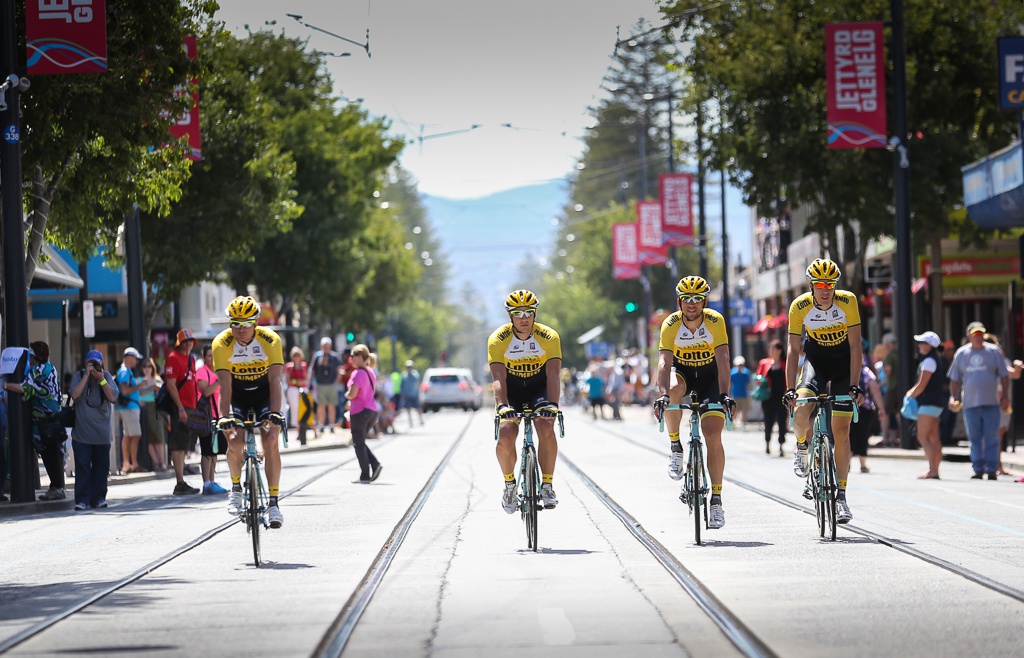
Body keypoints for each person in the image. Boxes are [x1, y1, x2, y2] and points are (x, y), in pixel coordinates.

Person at [786, 258, 864, 524]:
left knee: (841, 432)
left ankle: (840, 497)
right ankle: (801, 447)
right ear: (811, 285)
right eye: (819, 284)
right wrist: (789, 389)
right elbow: (793, 350)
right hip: (816, 363)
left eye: (830, 284)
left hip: (843, 365)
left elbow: (855, 347)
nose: (825, 289)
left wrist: (854, 385)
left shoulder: (847, 301)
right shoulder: (800, 306)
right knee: (801, 411)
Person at [653, 276, 734, 530]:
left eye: (697, 299)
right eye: (686, 299)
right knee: (674, 391)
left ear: (704, 302)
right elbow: (665, 362)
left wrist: (724, 394)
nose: (691, 304)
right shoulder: (671, 324)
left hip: (710, 377)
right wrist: (663, 394)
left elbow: (722, 358)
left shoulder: (715, 320)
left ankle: (717, 501)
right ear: (679, 302)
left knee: (712, 435)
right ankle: (676, 447)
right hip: (684, 374)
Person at [213, 296, 287, 527]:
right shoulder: (221, 343)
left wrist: (275, 413)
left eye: (246, 324)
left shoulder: (270, 340)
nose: (241, 329)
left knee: (271, 439)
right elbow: (225, 386)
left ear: (255, 323)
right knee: (234, 441)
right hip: (237, 396)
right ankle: (236, 489)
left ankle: (273, 503)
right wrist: (224, 416)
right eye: (235, 323)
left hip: (264, 393)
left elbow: (275, 380)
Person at [488, 289, 563, 512]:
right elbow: (498, 378)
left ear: (535, 313)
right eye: (518, 313)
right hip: (511, 391)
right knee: (506, 433)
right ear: (510, 316)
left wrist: (553, 405)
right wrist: (502, 406)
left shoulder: (549, 336)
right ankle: (510, 485)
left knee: (546, 426)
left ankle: (547, 485)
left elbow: (553, 374)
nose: (524, 318)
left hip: (538, 388)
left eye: (529, 312)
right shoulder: (498, 339)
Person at [947, 322, 1010, 480]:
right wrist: (953, 397)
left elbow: (1004, 375)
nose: (978, 337)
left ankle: (991, 468)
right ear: (968, 336)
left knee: (992, 437)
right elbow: (955, 379)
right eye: (975, 334)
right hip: (970, 404)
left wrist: (1005, 397)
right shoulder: (961, 354)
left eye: (981, 334)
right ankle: (978, 468)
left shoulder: (993, 351)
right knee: (974, 437)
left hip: (991, 403)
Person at [2, 342, 64, 501]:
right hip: (53, 418)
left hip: (45, 421)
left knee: (49, 455)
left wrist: (5, 385)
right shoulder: (50, 367)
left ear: (35, 357)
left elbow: (25, 388)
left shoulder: (39, 370)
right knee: (53, 454)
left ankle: (57, 488)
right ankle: (55, 487)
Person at [69, 350, 117, 510]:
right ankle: (82, 500)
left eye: (97, 363)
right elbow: (74, 395)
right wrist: (86, 377)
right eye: (91, 363)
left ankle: (98, 498)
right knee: (82, 468)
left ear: (102, 363)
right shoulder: (79, 375)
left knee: (100, 469)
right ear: (85, 363)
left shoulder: (107, 376)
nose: (94, 366)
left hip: (102, 435)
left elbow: (113, 398)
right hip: (82, 434)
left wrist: (101, 379)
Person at [905, 331, 946, 479]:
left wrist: (909, 394)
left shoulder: (929, 361)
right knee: (934, 437)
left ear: (930, 346)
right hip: (935, 403)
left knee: (922, 436)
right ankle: (934, 469)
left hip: (928, 403)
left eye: (923, 343)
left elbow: (921, 385)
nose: (920, 345)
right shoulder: (934, 359)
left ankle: (932, 470)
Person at [165, 328, 201, 495]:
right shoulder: (173, 359)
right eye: (185, 342)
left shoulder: (190, 359)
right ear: (179, 344)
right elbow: (171, 385)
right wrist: (180, 408)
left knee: (185, 445)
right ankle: (179, 482)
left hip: (191, 407)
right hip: (180, 408)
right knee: (178, 446)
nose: (188, 344)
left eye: (190, 341)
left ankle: (182, 480)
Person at [345, 344, 383, 483]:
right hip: (371, 411)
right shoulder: (370, 372)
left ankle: (365, 474)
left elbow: (353, 393)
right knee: (360, 442)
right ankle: (374, 465)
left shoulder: (358, 373)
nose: (350, 359)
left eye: (352, 356)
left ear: (359, 357)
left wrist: (347, 395)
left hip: (359, 411)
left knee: (358, 443)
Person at [196, 345, 228, 494]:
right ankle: (206, 483)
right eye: (209, 356)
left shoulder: (217, 371)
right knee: (207, 451)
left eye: (214, 356)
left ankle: (212, 480)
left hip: (217, 416)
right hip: (205, 417)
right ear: (204, 357)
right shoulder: (202, 372)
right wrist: (218, 382)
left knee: (214, 451)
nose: (212, 359)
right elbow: (206, 391)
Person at [850, 343, 885, 475]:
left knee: (848, 435)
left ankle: (846, 463)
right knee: (862, 436)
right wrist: (881, 409)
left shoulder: (846, 372)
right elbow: (875, 391)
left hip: (848, 408)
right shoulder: (866, 372)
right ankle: (863, 464)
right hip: (865, 408)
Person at [115, 347, 151, 474]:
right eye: (135, 358)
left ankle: (128, 464)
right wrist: (139, 386)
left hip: (130, 407)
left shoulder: (126, 371)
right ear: (129, 357)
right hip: (129, 407)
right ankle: (131, 463)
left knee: (130, 435)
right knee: (135, 435)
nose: (137, 361)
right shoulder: (124, 371)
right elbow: (124, 391)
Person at [756, 340, 788, 456]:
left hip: (782, 397)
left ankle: (781, 446)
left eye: (773, 349)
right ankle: (767, 444)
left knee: (781, 422)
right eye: (770, 349)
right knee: (768, 421)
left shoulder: (785, 364)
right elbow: (758, 376)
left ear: (779, 350)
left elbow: (788, 379)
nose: (771, 351)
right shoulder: (764, 363)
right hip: (768, 397)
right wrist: (760, 380)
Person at [139, 357, 167, 472]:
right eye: (144, 366)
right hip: (143, 409)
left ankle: (162, 463)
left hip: (156, 410)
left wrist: (155, 388)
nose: (147, 368)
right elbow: (140, 393)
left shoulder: (157, 379)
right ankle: (155, 463)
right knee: (148, 438)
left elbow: (163, 392)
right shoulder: (140, 380)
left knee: (159, 437)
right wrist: (151, 387)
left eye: (149, 366)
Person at [308, 337, 341, 433]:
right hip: (320, 384)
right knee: (321, 405)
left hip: (332, 384)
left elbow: (338, 370)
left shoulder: (334, 357)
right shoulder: (317, 357)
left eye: (327, 346)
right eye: (324, 346)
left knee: (331, 405)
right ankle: (321, 424)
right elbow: (312, 371)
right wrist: (310, 383)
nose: (326, 348)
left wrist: (337, 382)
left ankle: (331, 425)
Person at [284, 346, 308, 430]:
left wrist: (296, 381)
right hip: (292, 389)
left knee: (305, 407)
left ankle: (308, 427)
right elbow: (288, 380)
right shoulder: (289, 367)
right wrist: (296, 382)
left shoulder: (304, 365)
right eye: (294, 355)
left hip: (303, 389)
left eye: (298, 355)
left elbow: (305, 380)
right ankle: (298, 429)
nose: (296, 357)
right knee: (295, 408)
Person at [730, 356, 752, 430]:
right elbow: (730, 384)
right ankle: (733, 424)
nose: (740, 366)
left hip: (744, 394)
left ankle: (744, 425)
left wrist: (750, 394)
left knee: (744, 410)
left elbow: (749, 384)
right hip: (735, 394)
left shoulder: (746, 373)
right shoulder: (732, 373)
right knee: (734, 410)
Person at [400, 360, 424, 427]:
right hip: (407, 394)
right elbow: (402, 385)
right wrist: (402, 394)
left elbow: (417, 381)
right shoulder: (404, 375)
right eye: (408, 367)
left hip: (414, 394)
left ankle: (421, 419)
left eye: (410, 367)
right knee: (408, 408)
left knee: (418, 408)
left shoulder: (415, 374)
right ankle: (410, 422)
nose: (409, 368)